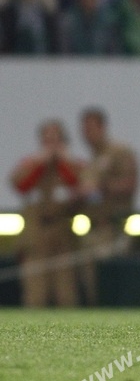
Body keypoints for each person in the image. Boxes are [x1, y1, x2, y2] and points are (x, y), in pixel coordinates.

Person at [10, 119, 83, 307]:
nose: (52, 146)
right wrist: (39, 162)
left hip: (62, 231)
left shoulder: (71, 165)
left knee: (65, 291)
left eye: (56, 140)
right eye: (47, 140)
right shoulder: (31, 164)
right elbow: (20, 185)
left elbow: (81, 185)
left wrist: (64, 160)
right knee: (35, 292)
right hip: (36, 232)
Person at [78, 107, 139, 305]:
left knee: (112, 281)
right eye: (84, 129)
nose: (86, 133)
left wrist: (100, 188)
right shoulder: (91, 159)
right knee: (91, 283)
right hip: (93, 227)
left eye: (91, 128)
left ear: (102, 127)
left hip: (113, 227)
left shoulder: (119, 152)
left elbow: (130, 184)